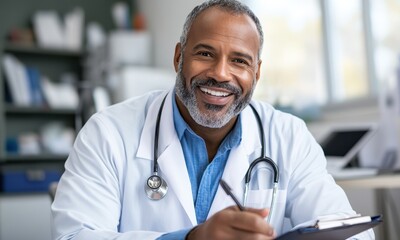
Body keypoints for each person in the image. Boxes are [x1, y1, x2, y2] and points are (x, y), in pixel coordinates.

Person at [51, 0, 375, 239]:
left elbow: (352, 232)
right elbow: (74, 235)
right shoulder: (108, 132)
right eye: (205, 53)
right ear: (179, 57)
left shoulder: (287, 135)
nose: (221, 74)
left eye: (239, 61)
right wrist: (192, 239)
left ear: (256, 73)